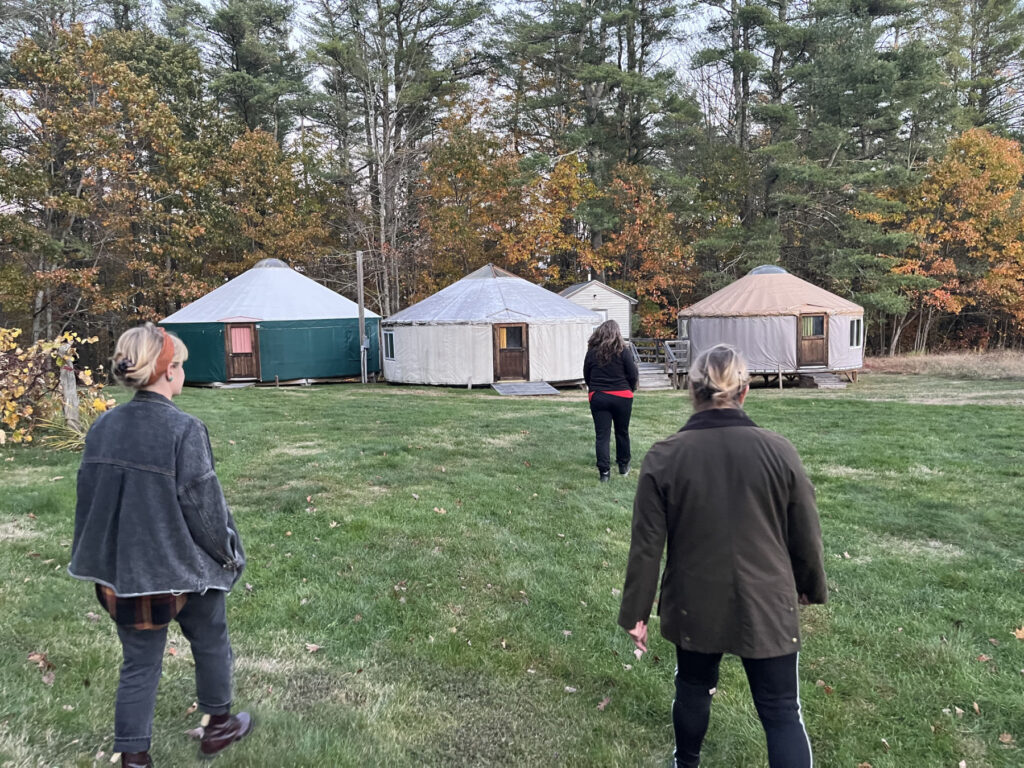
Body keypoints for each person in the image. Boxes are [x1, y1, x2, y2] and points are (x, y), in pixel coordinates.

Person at [617, 344, 827, 768]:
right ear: (745, 392)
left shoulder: (664, 456)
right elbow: (805, 531)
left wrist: (636, 613)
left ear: (691, 391)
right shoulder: (779, 451)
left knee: (693, 688)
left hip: (696, 599)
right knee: (782, 711)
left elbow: (646, 548)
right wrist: (809, 586)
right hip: (767, 599)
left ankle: (686, 763)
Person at [69, 323, 252, 767]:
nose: (184, 373)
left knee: (139, 662)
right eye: (182, 365)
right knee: (210, 637)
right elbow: (204, 508)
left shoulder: (104, 426)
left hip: (125, 575)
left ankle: (134, 756)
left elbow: (88, 499)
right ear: (167, 371)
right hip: (179, 572)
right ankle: (219, 725)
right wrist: (228, 554)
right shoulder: (184, 429)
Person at [583, 319, 639, 482]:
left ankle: (604, 473)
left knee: (602, 435)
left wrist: (594, 388)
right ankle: (623, 465)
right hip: (622, 396)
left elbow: (587, 374)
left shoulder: (592, 352)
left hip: (599, 396)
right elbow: (633, 374)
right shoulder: (623, 351)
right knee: (622, 432)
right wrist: (629, 389)